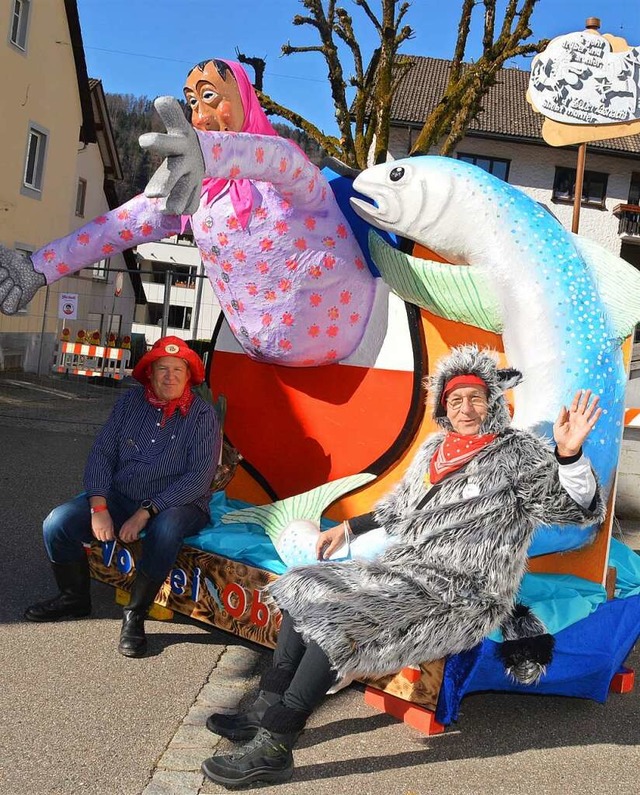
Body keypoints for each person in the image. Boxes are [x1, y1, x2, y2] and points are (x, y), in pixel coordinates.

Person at [200, 344, 604, 788]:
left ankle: (276, 744)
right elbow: (404, 507)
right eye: (455, 399)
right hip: (406, 569)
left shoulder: (518, 454)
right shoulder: (436, 448)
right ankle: (267, 705)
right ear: (444, 407)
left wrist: (568, 455)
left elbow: (574, 510)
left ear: (492, 400)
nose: (466, 408)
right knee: (302, 585)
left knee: (340, 620)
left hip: (463, 590)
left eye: (475, 397)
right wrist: (349, 529)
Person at [0, 59, 376, 367]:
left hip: (359, 349)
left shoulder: (288, 174)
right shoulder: (200, 195)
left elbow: (275, 158)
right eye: (193, 103)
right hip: (261, 369)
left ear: (245, 97)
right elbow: (116, 227)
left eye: (211, 96)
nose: (201, 115)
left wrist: (209, 153)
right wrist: (39, 266)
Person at [24, 336, 220, 658]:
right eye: (162, 369)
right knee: (57, 523)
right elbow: (102, 454)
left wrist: (147, 511)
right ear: (150, 373)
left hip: (179, 501)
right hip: (122, 494)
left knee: (166, 530)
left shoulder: (202, 416)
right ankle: (74, 598)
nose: (169, 376)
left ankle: (135, 614)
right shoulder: (129, 404)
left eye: (177, 369)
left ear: (189, 376)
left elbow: (198, 478)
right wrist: (98, 505)